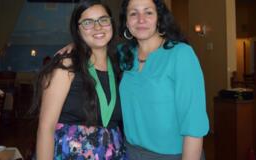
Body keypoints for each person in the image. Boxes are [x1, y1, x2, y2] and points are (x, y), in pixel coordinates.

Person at [58, 0, 209, 159]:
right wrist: (75, 44)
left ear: (159, 18)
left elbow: (194, 124)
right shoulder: (123, 54)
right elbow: (95, 44)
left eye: (148, 12)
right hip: (130, 153)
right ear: (127, 22)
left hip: (175, 155)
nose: (141, 19)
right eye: (133, 13)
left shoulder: (181, 55)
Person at [35, 0, 126, 159]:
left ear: (111, 23)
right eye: (87, 22)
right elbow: (45, 127)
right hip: (69, 154)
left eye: (103, 20)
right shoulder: (67, 64)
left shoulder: (121, 64)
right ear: (78, 30)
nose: (97, 27)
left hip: (113, 153)